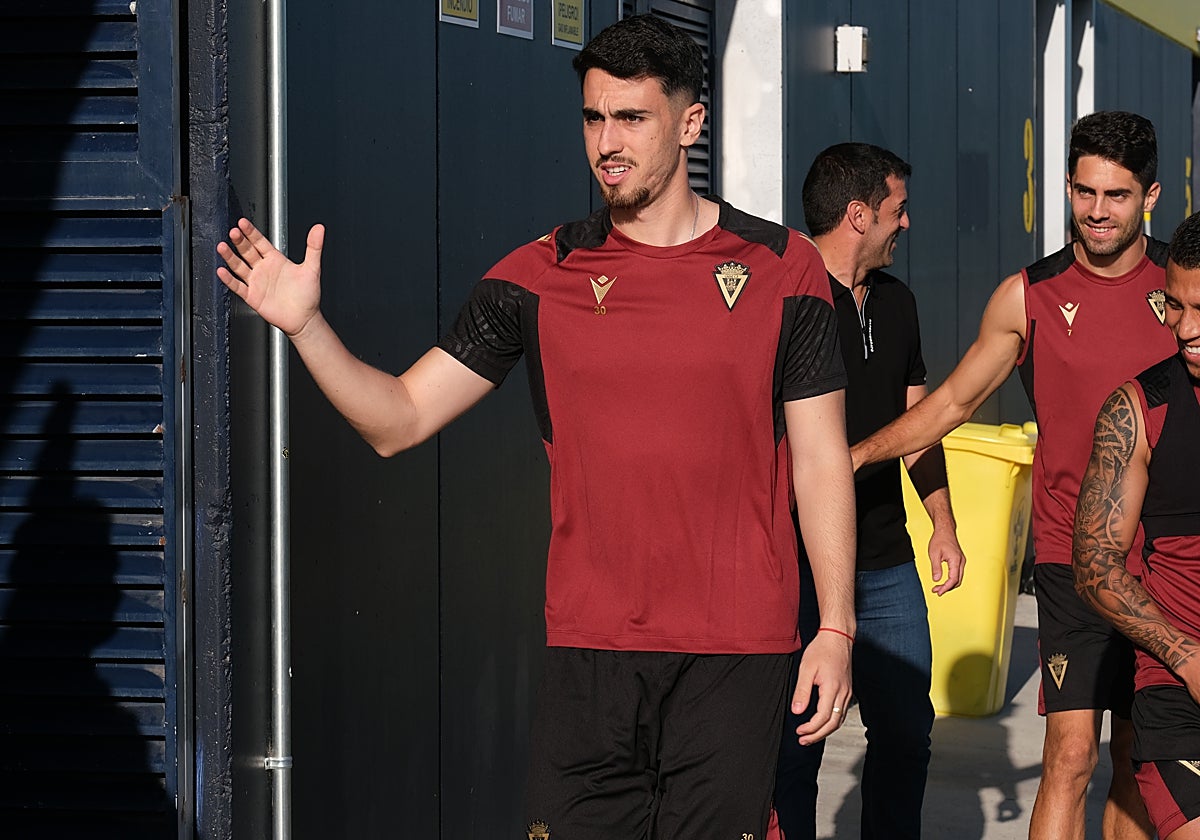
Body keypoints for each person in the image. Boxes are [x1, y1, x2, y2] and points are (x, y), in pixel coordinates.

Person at [216, 15, 857, 840]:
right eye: (593, 118)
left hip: (737, 651)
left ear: (690, 123)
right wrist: (307, 328)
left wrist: (835, 626)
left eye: (632, 118)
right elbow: (399, 419)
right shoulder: (539, 275)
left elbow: (819, 459)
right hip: (588, 652)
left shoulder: (784, 267)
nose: (607, 143)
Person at [850, 110, 1174, 840]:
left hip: (1163, 560)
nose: (1097, 211)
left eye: (1117, 195)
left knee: (1137, 756)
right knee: (1070, 755)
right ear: (1067, 186)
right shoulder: (1028, 296)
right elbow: (952, 403)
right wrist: (857, 455)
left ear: (1151, 196)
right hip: (1070, 558)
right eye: (1084, 192)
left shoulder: (1180, 291)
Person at [773, 143, 966, 840]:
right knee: (798, 744)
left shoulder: (898, 302)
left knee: (907, 734)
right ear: (859, 215)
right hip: (800, 565)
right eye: (898, 209)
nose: (906, 223)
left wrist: (942, 522)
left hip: (887, 561)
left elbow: (919, 427)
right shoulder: (785, 302)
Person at [1073, 210, 1200, 840]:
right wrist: (1188, 658)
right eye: (1175, 306)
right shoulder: (1137, 410)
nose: (1186, 329)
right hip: (1177, 691)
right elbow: (1095, 566)